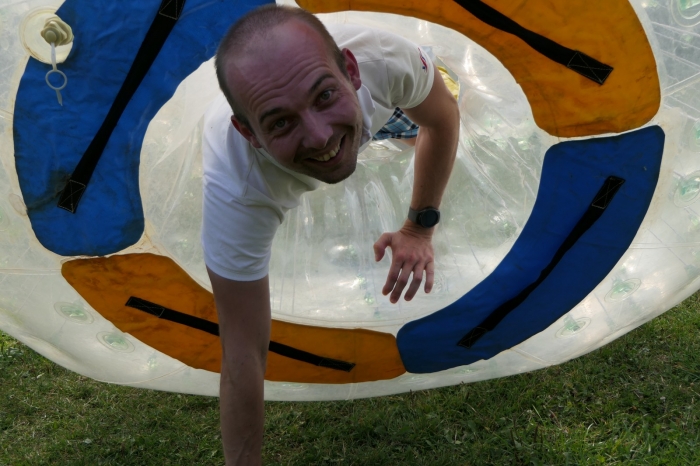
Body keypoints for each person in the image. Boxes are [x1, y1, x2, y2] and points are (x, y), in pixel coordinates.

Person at [203, 5, 459, 465]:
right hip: (342, 109)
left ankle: (383, 125)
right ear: (247, 133)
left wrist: (418, 228)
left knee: (420, 120)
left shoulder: (387, 59)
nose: (320, 137)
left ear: (352, 71)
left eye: (323, 96)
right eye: (280, 122)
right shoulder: (238, 186)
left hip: (380, 94)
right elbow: (242, 352)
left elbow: (441, 119)